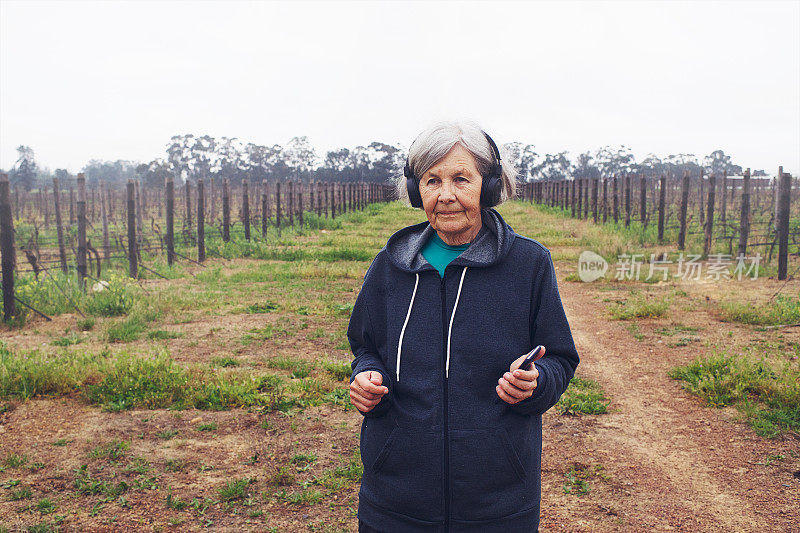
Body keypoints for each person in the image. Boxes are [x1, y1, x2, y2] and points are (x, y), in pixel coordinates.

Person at [348, 120, 579, 532]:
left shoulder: (529, 265)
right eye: (432, 180)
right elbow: (366, 347)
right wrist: (368, 377)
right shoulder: (389, 267)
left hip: (498, 502)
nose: (446, 194)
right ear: (416, 190)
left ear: (489, 186)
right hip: (395, 499)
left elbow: (559, 357)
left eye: (461, 178)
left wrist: (536, 382)